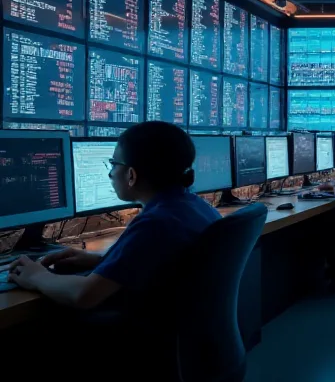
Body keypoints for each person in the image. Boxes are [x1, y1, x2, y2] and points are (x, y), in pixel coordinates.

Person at [3, 122, 221, 310]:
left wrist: (36, 276)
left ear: (131, 175)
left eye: (114, 163)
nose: (110, 173)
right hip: (192, 339)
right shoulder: (194, 206)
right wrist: (104, 260)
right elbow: (161, 264)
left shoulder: (156, 223)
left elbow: (84, 296)